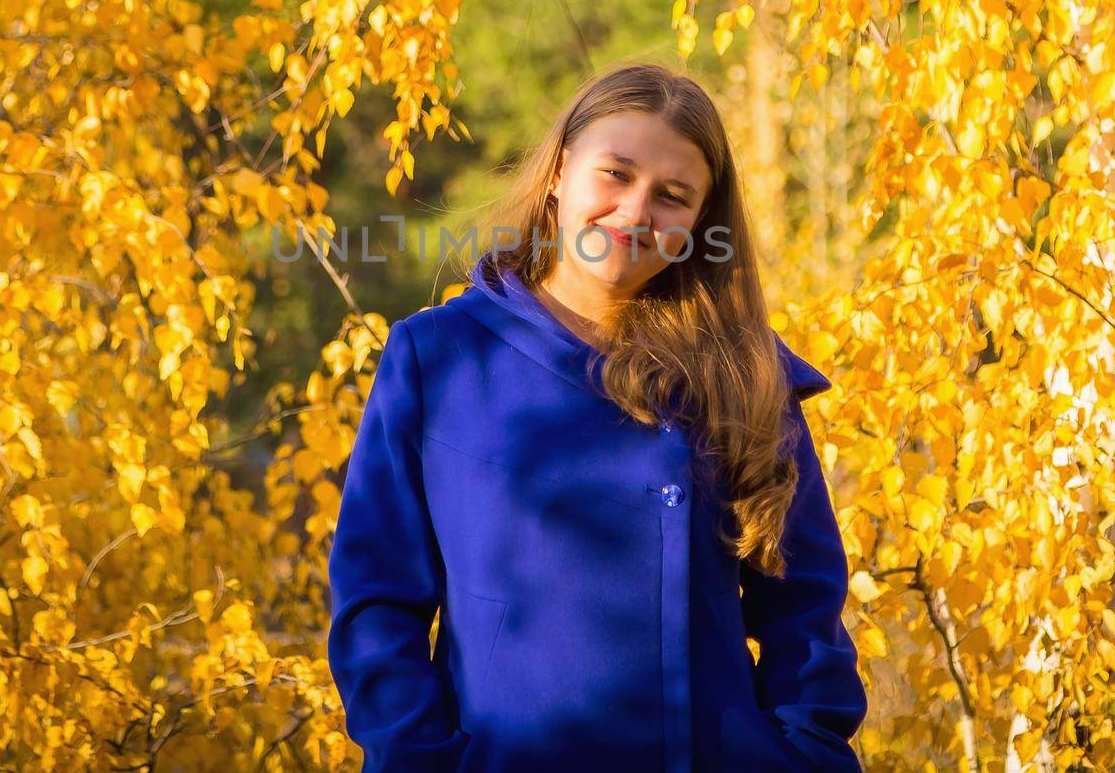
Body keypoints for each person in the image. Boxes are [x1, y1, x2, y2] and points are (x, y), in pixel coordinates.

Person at [327, 63, 868, 772]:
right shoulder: (440, 357)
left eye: (672, 196)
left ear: (699, 225)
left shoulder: (744, 370)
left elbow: (805, 609)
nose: (636, 211)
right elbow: (377, 603)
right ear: (557, 170)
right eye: (615, 173)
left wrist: (804, 755)